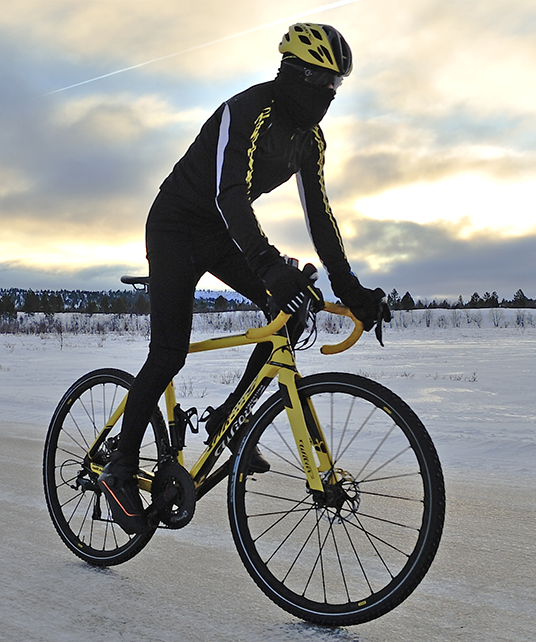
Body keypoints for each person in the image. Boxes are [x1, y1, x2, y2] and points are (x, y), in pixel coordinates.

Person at [98, 23, 391, 534]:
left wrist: (351, 291)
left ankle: (229, 423)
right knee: (168, 353)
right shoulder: (249, 111)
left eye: (336, 88)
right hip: (173, 226)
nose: (328, 95)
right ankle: (120, 468)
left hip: (216, 233)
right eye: (323, 82)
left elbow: (320, 217)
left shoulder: (310, 140)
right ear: (295, 73)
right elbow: (229, 192)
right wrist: (268, 265)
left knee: (292, 309)